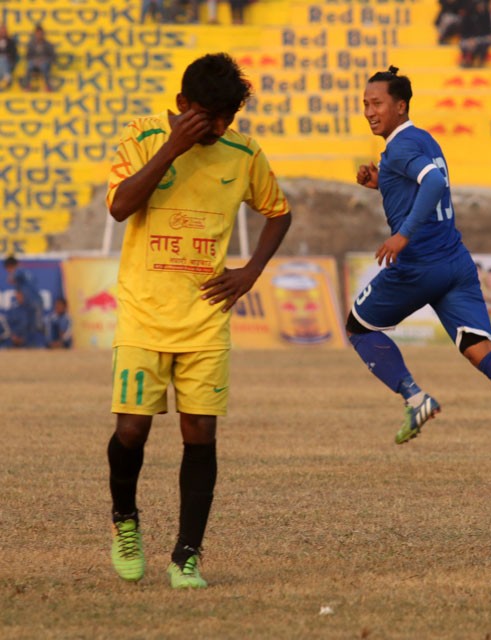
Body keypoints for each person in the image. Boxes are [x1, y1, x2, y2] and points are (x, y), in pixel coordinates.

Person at [105, 52, 292, 589]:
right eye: (208, 115)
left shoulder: (242, 153)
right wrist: (172, 147)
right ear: (183, 105)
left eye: (227, 117)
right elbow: (120, 208)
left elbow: (279, 212)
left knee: (200, 432)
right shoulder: (142, 139)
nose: (218, 127)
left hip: (205, 317)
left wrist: (250, 271)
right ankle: (125, 522)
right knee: (131, 429)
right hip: (143, 311)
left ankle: (186, 554)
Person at [351, 65, 491, 470]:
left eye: (376, 103)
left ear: (400, 106)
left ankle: (415, 397)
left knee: (358, 326)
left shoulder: (400, 147)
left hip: (418, 266)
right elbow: (419, 182)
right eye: (364, 104)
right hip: (455, 262)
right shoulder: (424, 140)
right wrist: (381, 181)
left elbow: (431, 185)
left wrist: (403, 236)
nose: (369, 111)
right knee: (480, 348)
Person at [4, 255, 44, 334]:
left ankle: (46, 341)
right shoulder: (24, 271)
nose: (8, 271)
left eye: (8, 269)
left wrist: (11, 272)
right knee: (31, 325)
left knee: (35, 325)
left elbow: (10, 280)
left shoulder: (18, 270)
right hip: (34, 300)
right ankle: (32, 344)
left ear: (10, 266)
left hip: (32, 301)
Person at [22, 24, 55, 91]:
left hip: (44, 62)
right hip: (34, 62)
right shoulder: (31, 44)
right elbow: (27, 56)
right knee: (29, 66)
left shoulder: (48, 44)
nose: (39, 35)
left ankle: (48, 86)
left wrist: (44, 60)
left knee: (44, 67)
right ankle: (27, 86)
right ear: (35, 34)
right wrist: (34, 60)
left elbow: (52, 56)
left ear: (43, 34)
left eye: (40, 34)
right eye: (38, 33)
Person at [0, 23, 19, 90]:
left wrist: (7, 56)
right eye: (1, 31)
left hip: (9, 62)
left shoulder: (11, 42)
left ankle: (6, 77)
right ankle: (6, 77)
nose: (3, 32)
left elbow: (14, 53)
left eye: (4, 31)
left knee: (2, 59)